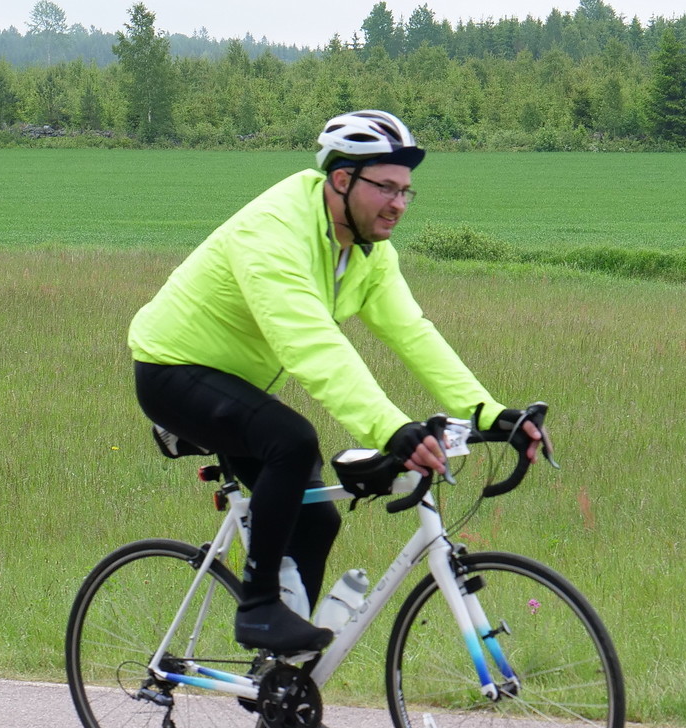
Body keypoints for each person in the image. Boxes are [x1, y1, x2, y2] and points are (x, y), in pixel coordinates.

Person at [128, 110, 545, 682]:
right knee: (292, 441)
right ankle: (258, 610)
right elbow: (312, 346)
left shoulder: (367, 252)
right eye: (386, 188)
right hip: (172, 368)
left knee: (317, 520)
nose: (399, 204)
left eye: (406, 191)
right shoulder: (273, 231)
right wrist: (391, 429)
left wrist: (489, 413)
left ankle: (281, 684)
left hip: (238, 382)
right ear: (342, 180)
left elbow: (413, 334)